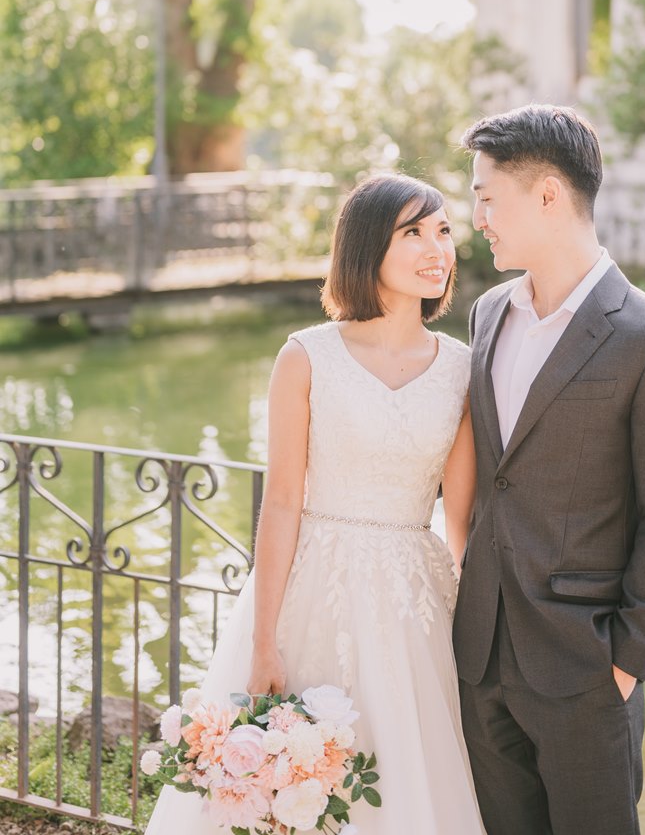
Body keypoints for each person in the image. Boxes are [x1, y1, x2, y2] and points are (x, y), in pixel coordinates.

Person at [145, 174, 486, 835]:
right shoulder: (306, 356)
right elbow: (280, 505)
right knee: (292, 778)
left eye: (443, 230)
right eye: (412, 232)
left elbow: (462, 520)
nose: (435, 247)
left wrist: (471, 623)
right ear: (365, 247)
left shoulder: (462, 368)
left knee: (407, 771)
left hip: (414, 600)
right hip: (310, 589)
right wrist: (265, 640)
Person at [453, 103, 645, 835]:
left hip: (586, 673)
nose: (477, 217)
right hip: (483, 660)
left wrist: (623, 667)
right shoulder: (487, 314)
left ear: (546, 195)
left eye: (485, 196)